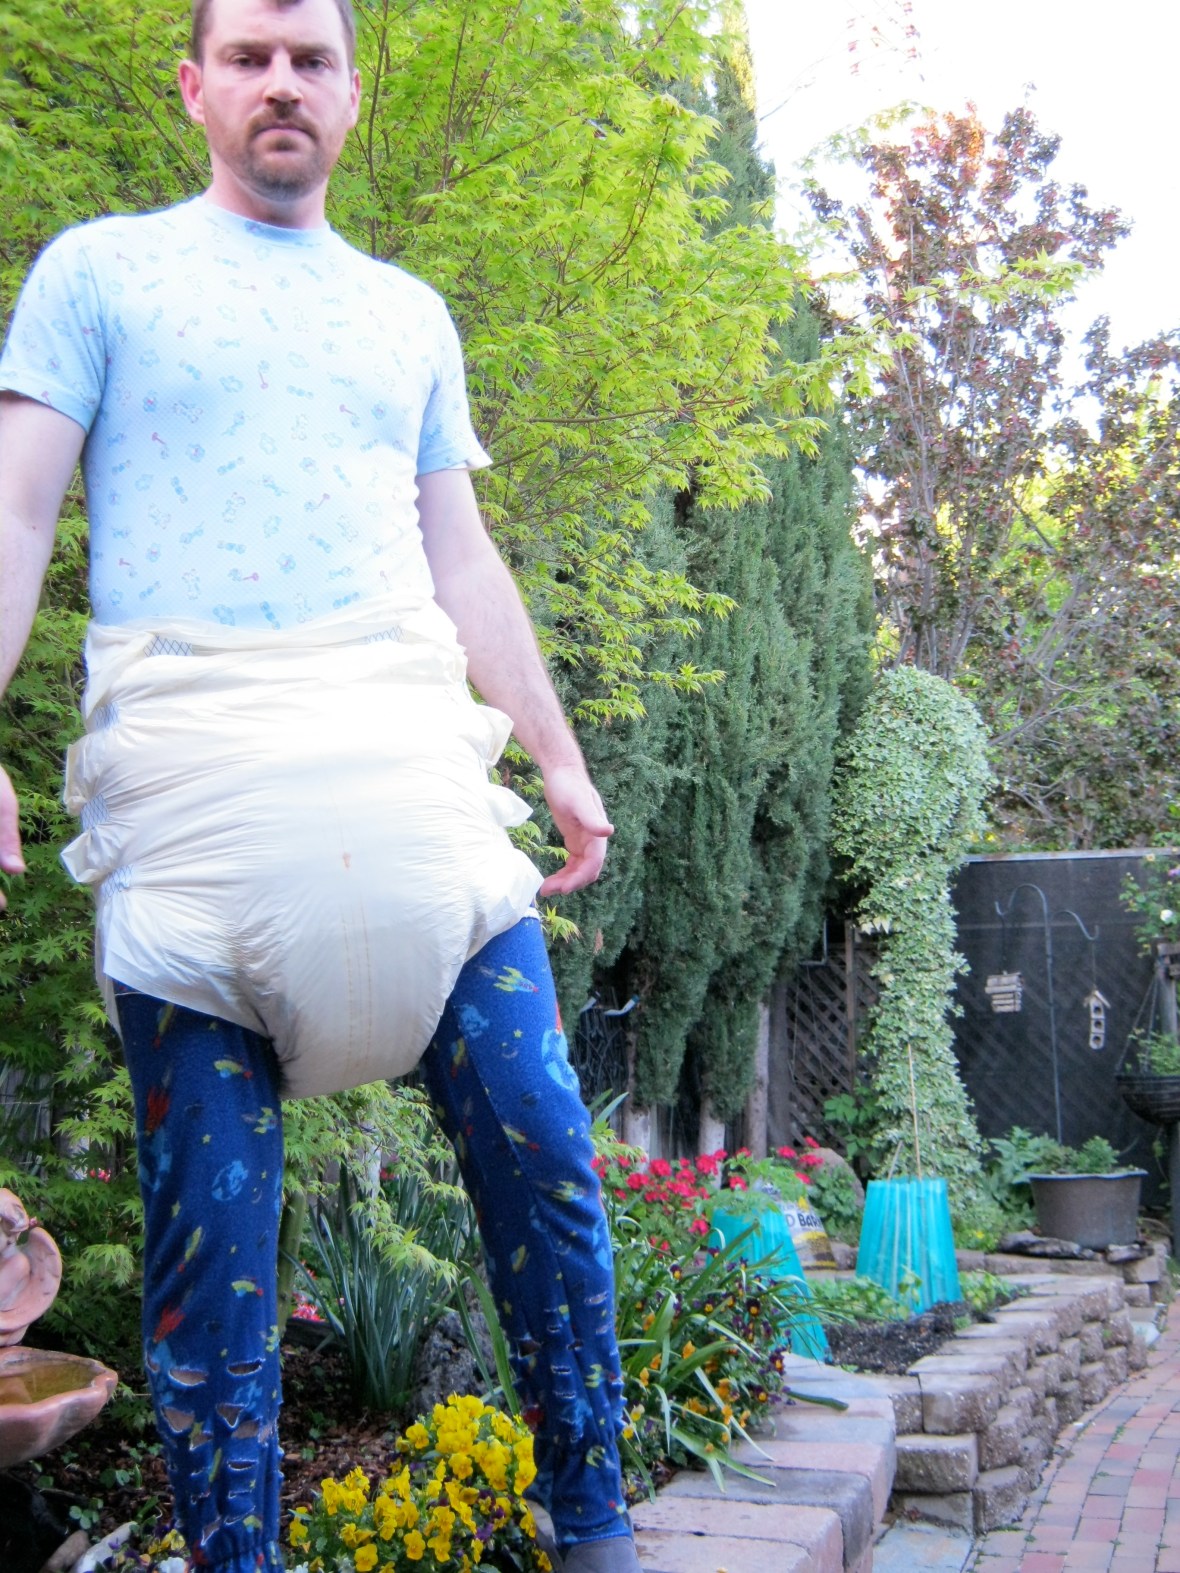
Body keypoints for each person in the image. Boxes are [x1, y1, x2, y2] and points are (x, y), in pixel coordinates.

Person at [0, 1, 643, 1568]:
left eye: (310, 58)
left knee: (548, 1156)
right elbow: (13, 514)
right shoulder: (98, 273)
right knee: (213, 1256)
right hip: (196, 831)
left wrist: (556, 754)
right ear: (194, 87)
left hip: (423, 815)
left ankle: (598, 1527)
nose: (280, 81)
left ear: (352, 96)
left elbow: (460, 555)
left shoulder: (409, 315)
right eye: (249, 56)